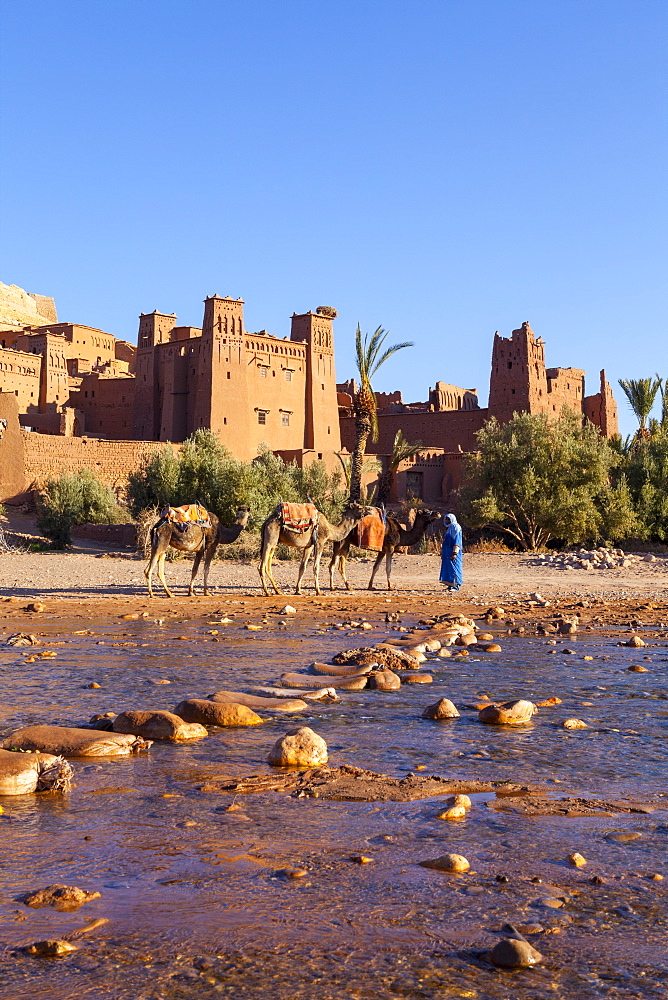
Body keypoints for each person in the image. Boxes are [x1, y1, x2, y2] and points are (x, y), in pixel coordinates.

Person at [440, 513, 463, 591]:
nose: (447, 521)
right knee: (448, 568)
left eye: (448, 519)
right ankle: (450, 585)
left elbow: (457, 541)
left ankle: (456, 586)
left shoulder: (456, 527)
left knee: (454, 568)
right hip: (447, 552)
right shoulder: (449, 528)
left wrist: (455, 553)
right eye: (446, 519)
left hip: (453, 552)